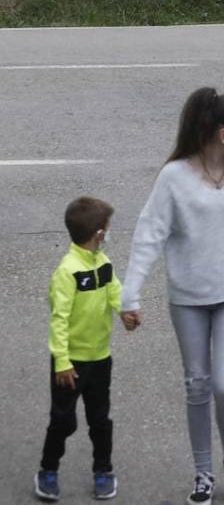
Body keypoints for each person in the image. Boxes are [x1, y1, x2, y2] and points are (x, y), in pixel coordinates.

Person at [121, 88, 224, 505]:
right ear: (223, 134)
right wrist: (130, 295)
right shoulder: (174, 176)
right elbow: (149, 234)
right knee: (197, 385)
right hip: (189, 296)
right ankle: (203, 472)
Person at [35, 197, 122, 503]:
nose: (109, 232)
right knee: (63, 420)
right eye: (107, 228)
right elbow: (58, 319)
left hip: (100, 358)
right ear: (99, 234)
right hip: (70, 363)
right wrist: (61, 361)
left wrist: (126, 311)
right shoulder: (67, 271)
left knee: (100, 419)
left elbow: (114, 291)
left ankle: (103, 470)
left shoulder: (103, 263)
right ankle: (48, 470)